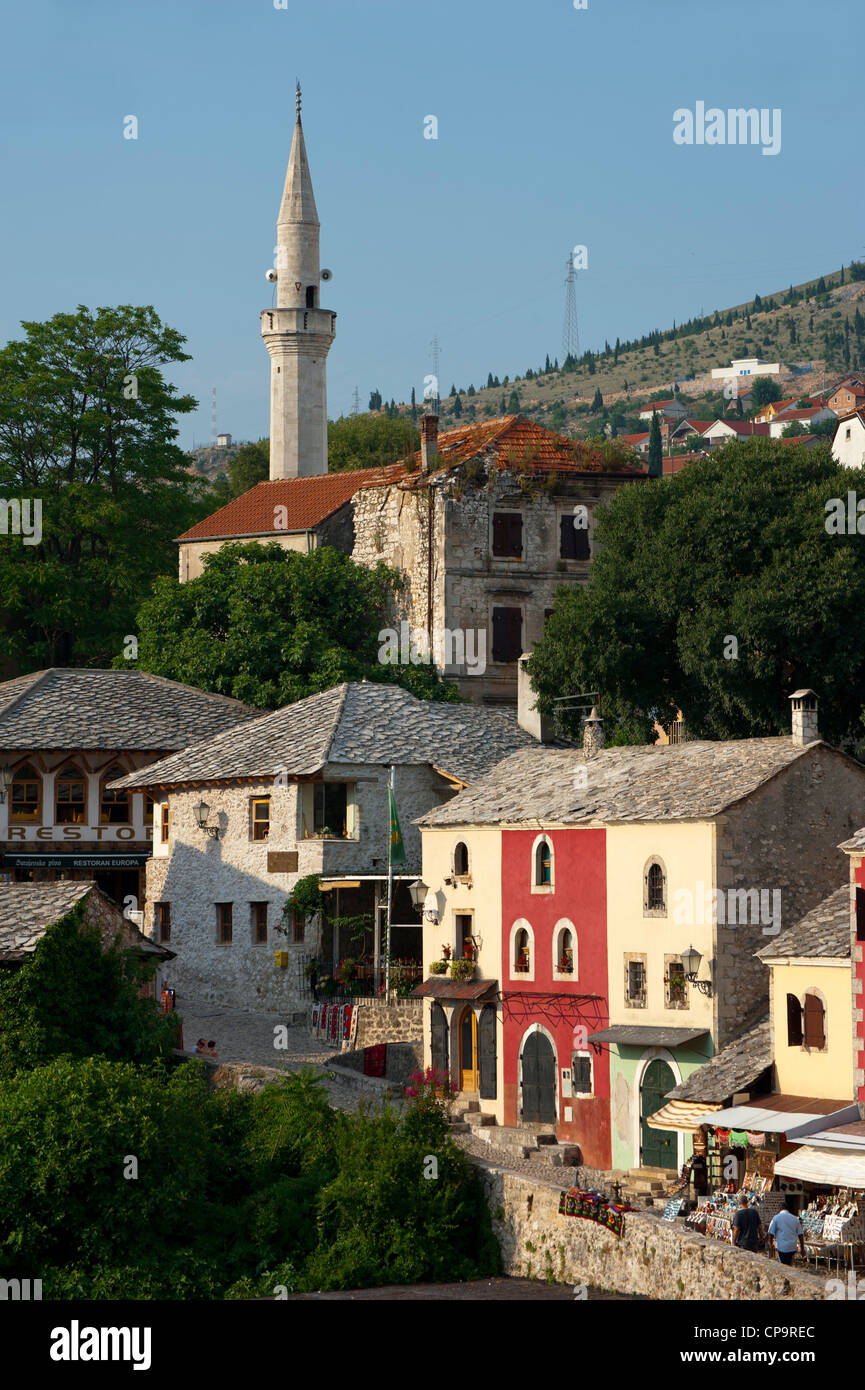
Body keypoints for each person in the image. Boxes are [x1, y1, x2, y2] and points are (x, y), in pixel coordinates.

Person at [768, 1197, 804, 1265]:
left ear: (779, 1209)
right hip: (792, 1247)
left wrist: (771, 1246)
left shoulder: (776, 1218)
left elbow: (770, 1233)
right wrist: (802, 1248)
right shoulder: (795, 1219)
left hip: (782, 1247)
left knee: (783, 1265)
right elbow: (800, 1234)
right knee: (790, 1264)